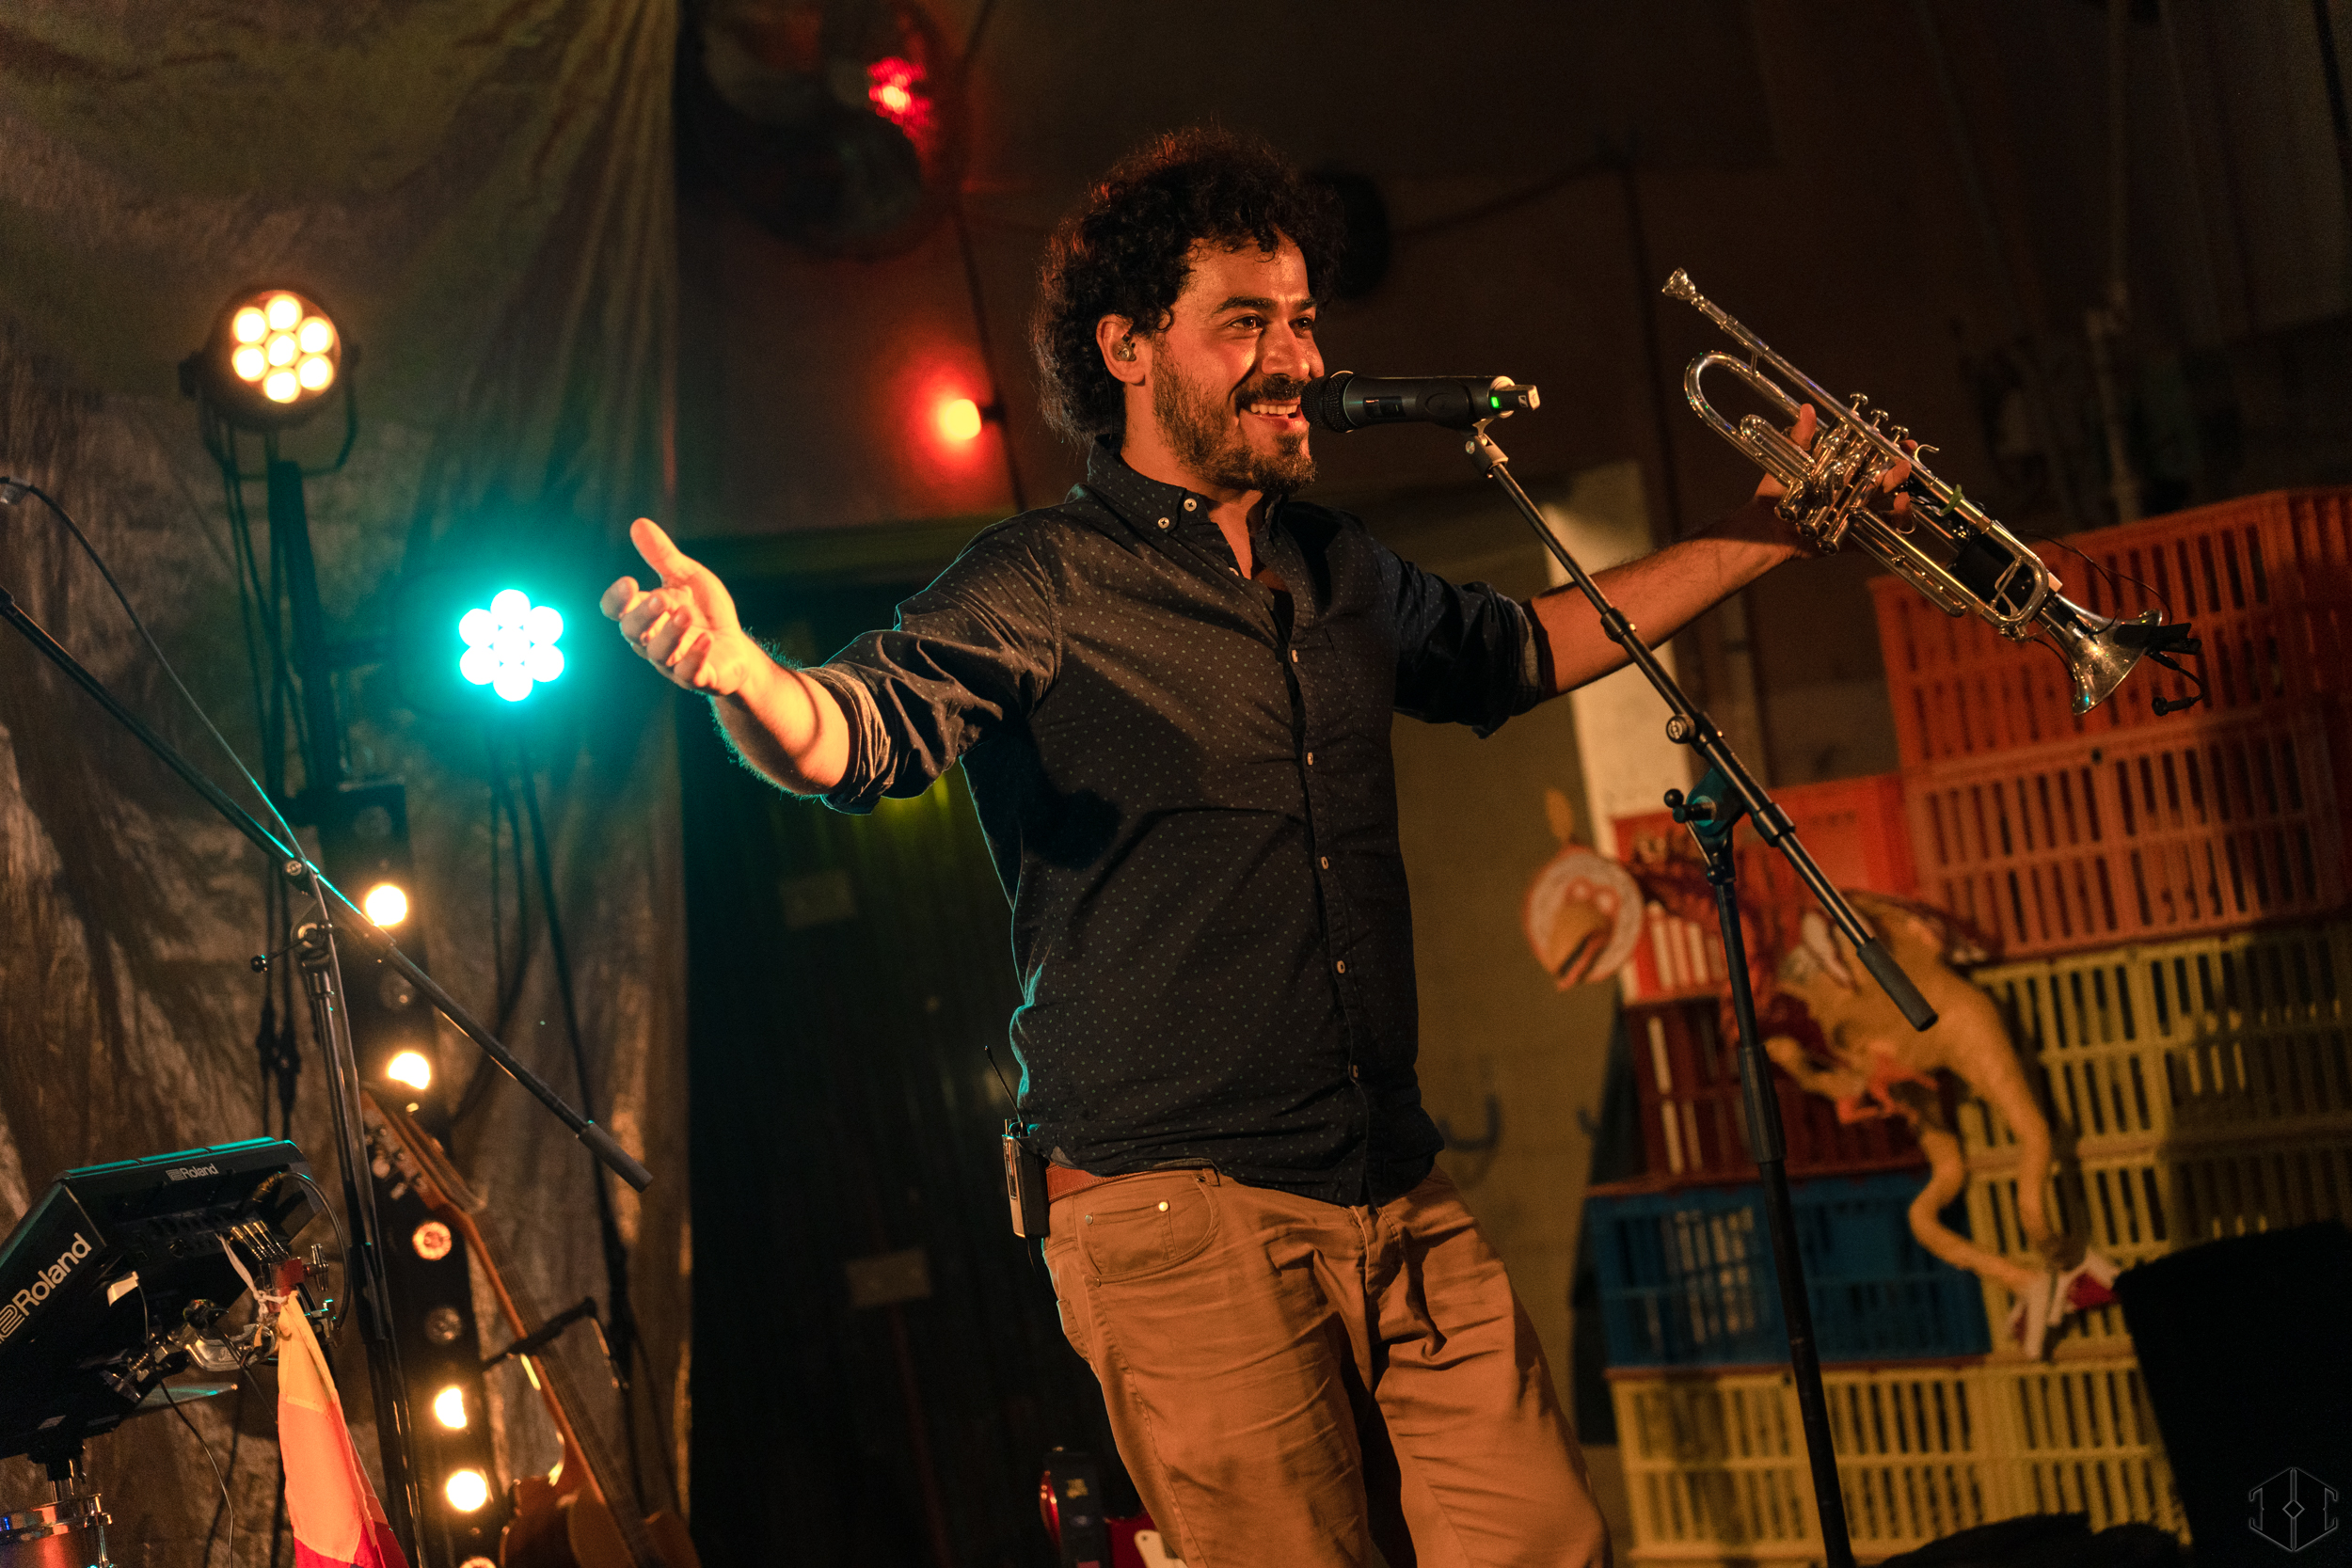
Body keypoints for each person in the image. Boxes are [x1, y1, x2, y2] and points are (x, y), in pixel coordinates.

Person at [604, 128, 1905, 1568]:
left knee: (1547, 1538)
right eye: (1245, 324)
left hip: (1393, 1181)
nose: (1297, 359)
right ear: (1127, 348)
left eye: (1301, 320)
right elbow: (857, 735)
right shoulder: (1047, 579)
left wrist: (1774, 529)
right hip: (1180, 1214)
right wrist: (746, 677)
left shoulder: (1334, 565)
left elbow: (1522, 649)